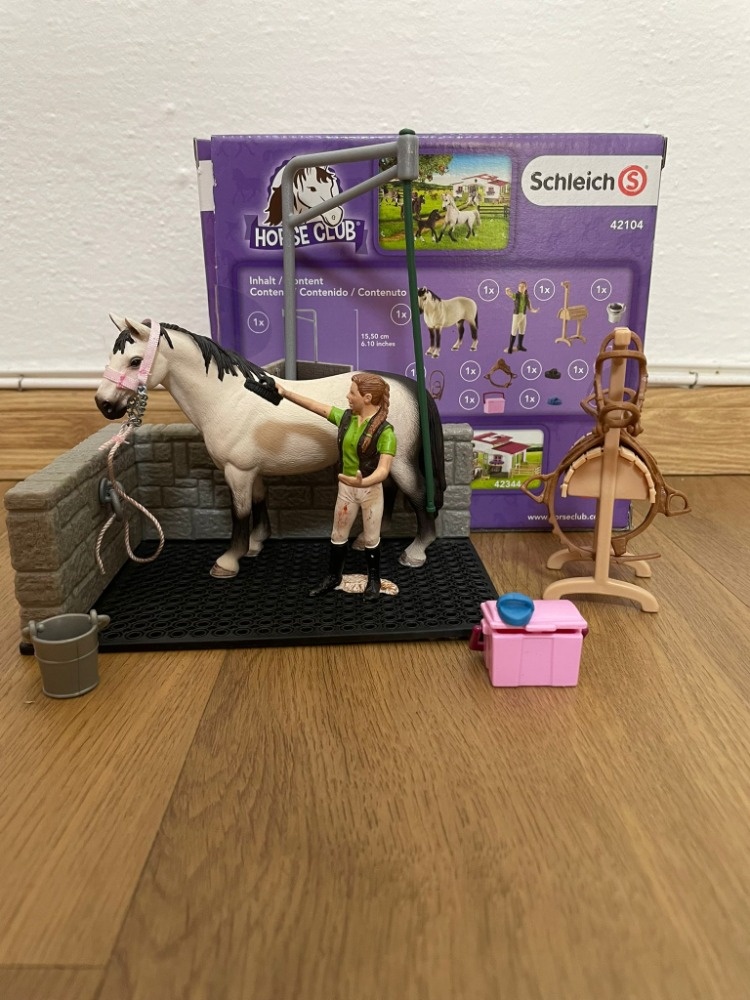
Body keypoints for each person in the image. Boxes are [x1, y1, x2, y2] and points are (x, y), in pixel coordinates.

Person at [278, 373, 397, 600]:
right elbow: (316, 407)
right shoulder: (346, 419)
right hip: (346, 489)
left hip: (370, 491)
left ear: (367, 398)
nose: (348, 396)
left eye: (352, 393)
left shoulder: (386, 432)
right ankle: (334, 576)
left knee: (371, 538)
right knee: (338, 534)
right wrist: (285, 393)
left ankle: (373, 580)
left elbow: (383, 470)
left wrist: (363, 481)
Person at [504, 281, 539, 353]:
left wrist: (534, 311)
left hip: (523, 315)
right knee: (514, 331)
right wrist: (507, 290)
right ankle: (510, 347)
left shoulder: (526, 297)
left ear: (526, 288)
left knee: (522, 330)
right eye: (519, 286)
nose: (521, 288)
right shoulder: (516, 296)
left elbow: (530, 308)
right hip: (516, 315)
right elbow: (510, 294)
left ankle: (519, 345)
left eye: (522, 286)